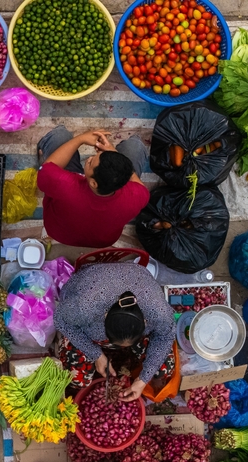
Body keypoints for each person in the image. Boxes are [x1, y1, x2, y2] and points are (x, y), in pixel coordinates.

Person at [53, 262, 176, 401]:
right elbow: (60, 320)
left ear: (145, 321)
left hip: (135, 279)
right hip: (91, 288)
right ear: (105, 316)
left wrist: (142, 380)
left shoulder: (157, 311)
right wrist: (96, 354)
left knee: (163, 369)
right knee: (78, 380)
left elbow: (166, 336)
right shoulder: (86, 306)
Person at [36, 126, 150, 248]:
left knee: (59, 136)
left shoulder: (64, 184)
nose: (89, 158)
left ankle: (44, 150)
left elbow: (46, 169)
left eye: (90, 162)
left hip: (58, 233)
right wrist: (116, 156)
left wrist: (80, 139)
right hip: (102, 241)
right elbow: (139, 185)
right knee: (135, 146)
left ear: (94, 183)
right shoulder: (134, 197)